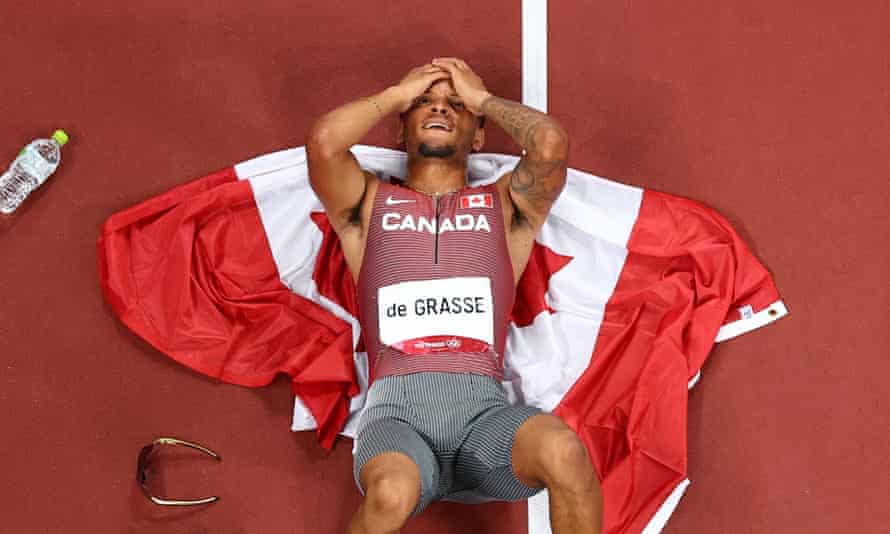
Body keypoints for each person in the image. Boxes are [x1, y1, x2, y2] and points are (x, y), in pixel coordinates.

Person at [306, 57, 603, 534]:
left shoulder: (505, 208)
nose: (439, 107)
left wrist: (482, 98)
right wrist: (397, 95)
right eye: (425, 103)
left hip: (484, 421)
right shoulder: (365, 203)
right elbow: (324, 143)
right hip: (397, 420)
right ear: (400, 130)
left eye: (454, 105)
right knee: (390, 493)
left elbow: (549, 145)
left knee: (563, 450)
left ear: (478, 136)